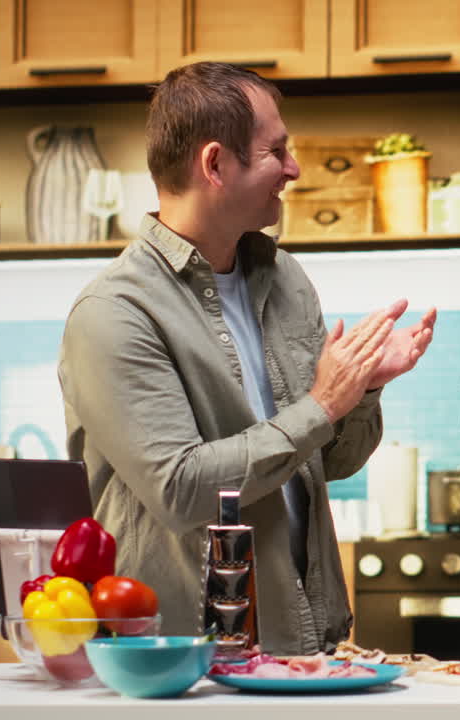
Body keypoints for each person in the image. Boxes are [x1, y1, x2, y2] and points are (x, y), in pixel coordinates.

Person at [57, 62, 436, 654]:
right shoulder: (114, 312)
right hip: (185, 661)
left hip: (302, 646)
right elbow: (182, 489)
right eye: (276, 151)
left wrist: (360, 390)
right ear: (215, 164)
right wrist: (322, 404)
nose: (294, 168)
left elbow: (329, 463)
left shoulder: (285, 279)